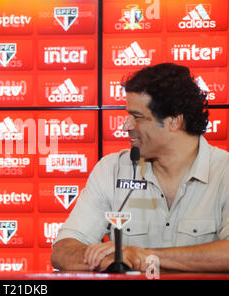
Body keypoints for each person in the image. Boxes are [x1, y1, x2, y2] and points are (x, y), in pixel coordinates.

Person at [51, 63, 229, 273]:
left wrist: (145, 256)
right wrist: (110, 259)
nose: (126, 126)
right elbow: (62, 250)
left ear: (174, 121)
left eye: (137, 117)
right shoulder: (111, 169)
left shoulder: (224, 171)